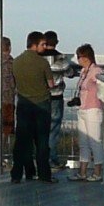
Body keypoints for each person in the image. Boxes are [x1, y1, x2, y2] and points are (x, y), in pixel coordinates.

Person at [11, 31, 55, 183]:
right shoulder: (43, 63)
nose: (45, 47)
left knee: (22, 141)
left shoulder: (16, 62)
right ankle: (44, 174)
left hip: (23, 105)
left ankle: (18, 173)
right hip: (42, 105)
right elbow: (51, 84)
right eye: (42, 44)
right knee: (42, 142)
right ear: (35, 45)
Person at [72, 43, 104, 181]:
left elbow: (101, 86)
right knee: (84, 142)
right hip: (83, 109)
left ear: (86, 57)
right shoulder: (83, 72)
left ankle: (98, 172)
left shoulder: (96, 71)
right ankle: (83, 171)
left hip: (93, 109)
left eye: (80, 57)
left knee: (95, 141)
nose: (79, 60)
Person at [43, 30, 72, 169]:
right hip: (56, 97)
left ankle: (41, 158)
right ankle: (52, 159)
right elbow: (69, 72)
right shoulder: (61, 58)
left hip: (40, 98)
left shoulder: (37, 57)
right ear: (56, 42)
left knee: (41, 129)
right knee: (53, 129)